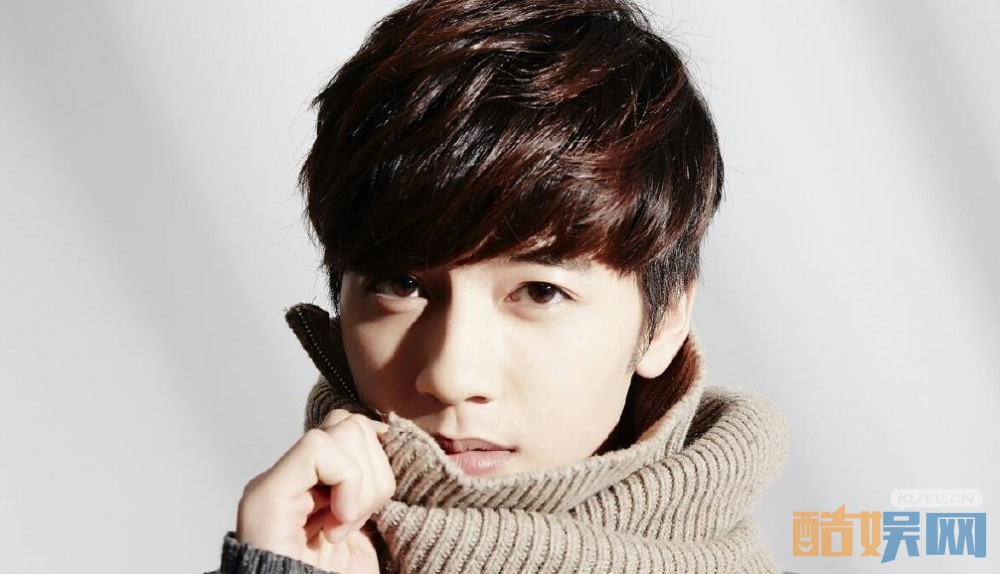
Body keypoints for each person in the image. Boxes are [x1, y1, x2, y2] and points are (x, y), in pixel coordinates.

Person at [212, 0, 789, 572]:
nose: (451, 377)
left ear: (665, 321)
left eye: (539, 292)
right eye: (401, 284)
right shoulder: (284, 543)